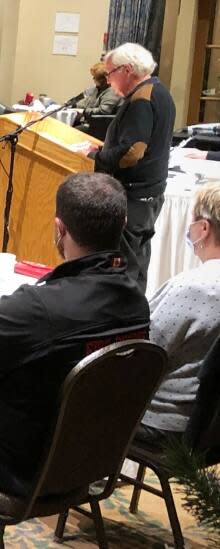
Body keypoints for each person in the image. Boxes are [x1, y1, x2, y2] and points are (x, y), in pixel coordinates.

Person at [0, 172, 150, 493]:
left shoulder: (39, 307)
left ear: (59, 229)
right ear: (124, 222)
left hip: (20, 465)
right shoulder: (137, 302)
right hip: (92, 459)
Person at [77, 43, 174, 292]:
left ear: (128, 69)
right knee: (138, 264)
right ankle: (134, 319)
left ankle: (123, 322)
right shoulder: (160, 90)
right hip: (150, 193)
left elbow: (133, 152)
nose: (108, 80)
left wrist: (97, 155)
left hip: (134, 195)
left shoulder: (141, 99)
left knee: (126, 267)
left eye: (110, 73)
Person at [137, 182, 220, 446]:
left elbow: (141, 352)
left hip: (165, 422)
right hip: (211, 427)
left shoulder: (193, 287)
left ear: (203, 228)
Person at [73, 61, 123, 129]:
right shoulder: (97, 88)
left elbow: (103, 111)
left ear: (104, 79)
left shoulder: (113, 91)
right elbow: (87, 101)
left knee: (72, 130)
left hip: (101, 126)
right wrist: (73, 105)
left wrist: (83, 111)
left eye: (95, 77)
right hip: (90, 121)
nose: (93, 79)